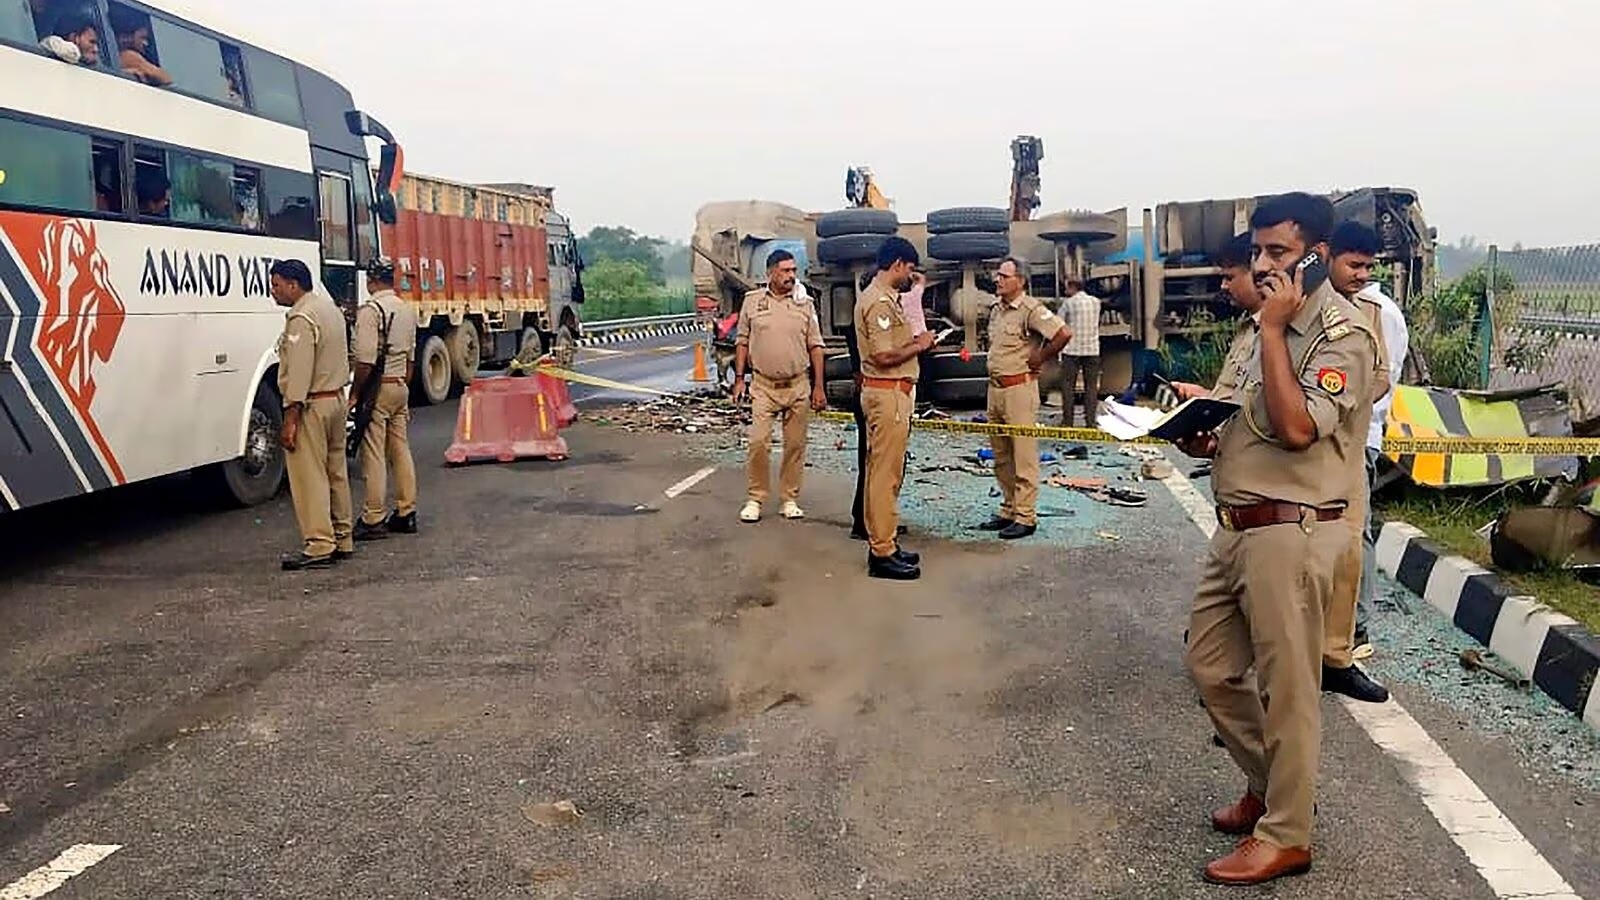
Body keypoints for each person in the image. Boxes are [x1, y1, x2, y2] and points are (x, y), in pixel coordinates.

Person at [1179, 192, 1380, 885]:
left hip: (1292, 533)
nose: (1261, 265)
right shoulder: (1259, 324)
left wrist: (1273, 333)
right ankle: (1275, 788)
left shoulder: (1341, 335)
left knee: (1288, 691)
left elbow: (1298, 430)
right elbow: (1253, 419)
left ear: (1316, 256)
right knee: (1210, 668)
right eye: (1258, 251)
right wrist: (1203, 430)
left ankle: (1288, 834)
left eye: (1277, 253)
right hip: (1236, 528)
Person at [1329, 220, 1410, 666]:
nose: (1360, 274)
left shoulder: (1381, 313)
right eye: (1353, 265)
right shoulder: (1321, 304)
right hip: (1323, 437)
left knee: (1354, 531)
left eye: (1367, 267)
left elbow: (1381, 382)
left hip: (1360, 439)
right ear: (1329, 258)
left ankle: (1356, 625)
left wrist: (1333, 406)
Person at [853, 237, 934, 580]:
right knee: (885, 475)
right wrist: (919, 344)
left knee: (884, 472)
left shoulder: (886, 299)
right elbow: (882, 356)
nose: (910, 276)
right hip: (887, 395)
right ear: (898, 264)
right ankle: (882, 551)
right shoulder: (879, 303)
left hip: (891, 394)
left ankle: (883, 541)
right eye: (910, 269)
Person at [977, 257, 1071, 539]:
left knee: (1023, 455)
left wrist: (1040, 356)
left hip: (1019, 390)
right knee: (1002, 455)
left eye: (1004, 276)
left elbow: (1063, 333)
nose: (998, 280)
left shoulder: (1030, 309)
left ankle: (1026, 517)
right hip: (995, 390)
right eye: (998, 275)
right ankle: (1009, 509)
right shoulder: (997, 310)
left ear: (1021, 281)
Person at [270, 260, 355, 571]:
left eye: (277, 284)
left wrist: (290, 419)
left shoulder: (302, 318)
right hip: (335, 400)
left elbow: (300, 372)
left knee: (310, 477)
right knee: (336, 473)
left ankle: (319, 544)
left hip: (311, 407)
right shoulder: (330, 309)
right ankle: (343, 538)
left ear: (294, 284)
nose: (273, 291)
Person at [733, 249, 826, 523]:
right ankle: (756, 497)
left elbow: (816, 346)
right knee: (758, 442)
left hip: (798, 384)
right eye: (785, 271)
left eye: (793, 271)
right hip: (763, 385)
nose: (791, 276)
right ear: (770, 273)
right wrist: (739, 379)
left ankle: (789, 497)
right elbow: (742, 341)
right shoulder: (752, 302)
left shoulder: (804, 303)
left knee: (795, 445)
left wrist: (819, 386)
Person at [352, 259, 420, 541]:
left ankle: (373, 516)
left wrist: (356, 392)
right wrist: (402, 386)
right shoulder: (406, 309)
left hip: (377, 390)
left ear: (371, 280)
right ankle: (406, 512)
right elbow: (410, 360)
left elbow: (366, 359)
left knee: (374, 454)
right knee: (400, 450)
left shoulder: (371, 311)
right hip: (399, 386)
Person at [1055, 277, 1102, 427]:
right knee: (1091, 387)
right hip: (1092, 349)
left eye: (1066, 287)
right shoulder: (1096, 302)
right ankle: (1090, 422)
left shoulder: (1068, 304)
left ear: (1072, 287)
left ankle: (1068, 422)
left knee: (1068, 386)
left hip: (1071, 349)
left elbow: (1058, 325)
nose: (1064, 290)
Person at [110, 8, 171, 85]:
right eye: (142, 38)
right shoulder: (128, 55)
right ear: (127, 37)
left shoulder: (114, 55)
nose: (146, 43)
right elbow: (165, 78)